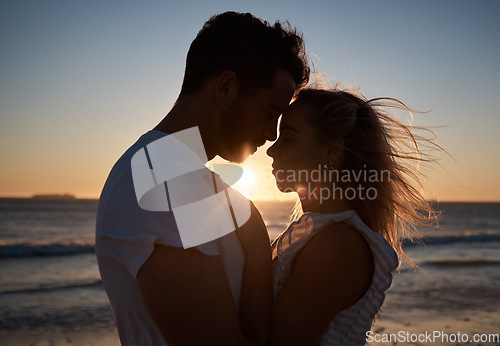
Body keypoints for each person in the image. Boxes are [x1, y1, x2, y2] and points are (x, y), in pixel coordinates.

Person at [95, 11, 309, 345]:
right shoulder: (154, 179)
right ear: (225, 88)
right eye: (270, 113)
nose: (271, 135)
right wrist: (253, 240)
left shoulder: (186, 177)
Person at [265, 87, 437, 345]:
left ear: (331, 150)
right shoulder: (325, 236)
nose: (271, 150)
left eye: (287, 138)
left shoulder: (337, 246)